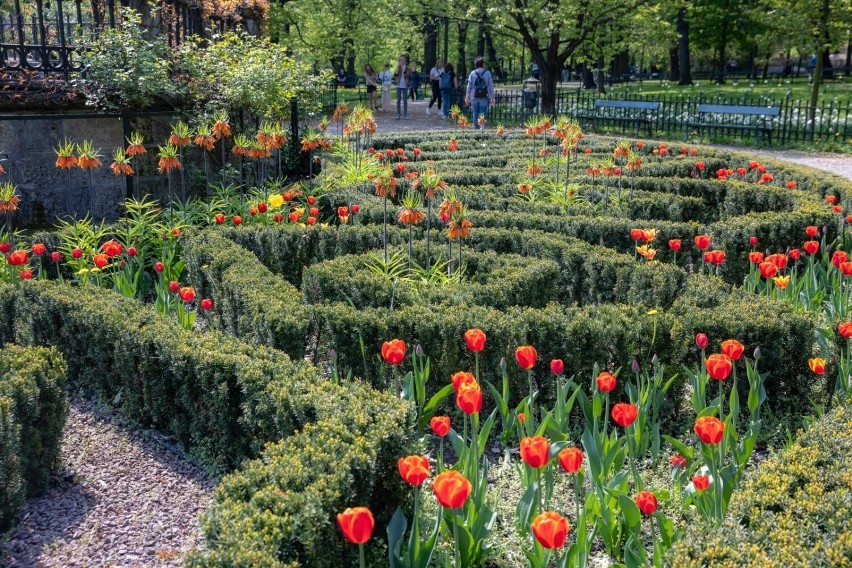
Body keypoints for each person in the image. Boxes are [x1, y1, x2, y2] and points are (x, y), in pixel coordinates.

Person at [465, 56, 495, 129]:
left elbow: (469, 86)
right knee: (482, 113)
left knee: (475, 113)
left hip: (473, 96)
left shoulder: (472, 73)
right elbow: (490, 86)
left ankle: (476, 129)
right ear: (483, 64)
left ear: (475, 64)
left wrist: (467, 97)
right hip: (484, 96)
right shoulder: (488, 73)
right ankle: (482, 128)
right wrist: (492, 97)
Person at [394, 54, 411, 120]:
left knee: (405, 100)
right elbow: (395, 74)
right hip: (398, 85)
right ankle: (398, 114)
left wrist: (404, 70)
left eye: (402, 59)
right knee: (398, 100)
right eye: (400, 59)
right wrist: (398, 67)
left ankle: (405, 114)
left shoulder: (408, 67)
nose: (401, 60)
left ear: (405, 59)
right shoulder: (398, 67)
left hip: (405, 85)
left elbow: (408, 75)